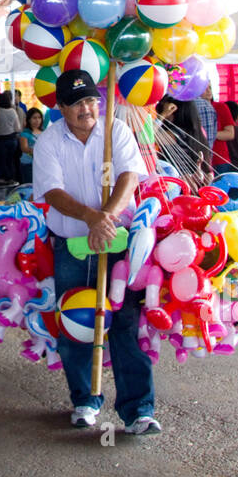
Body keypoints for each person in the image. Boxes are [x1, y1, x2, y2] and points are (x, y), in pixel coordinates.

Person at [33, 69, 153, 432]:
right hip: (71, 245)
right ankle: (85, 400)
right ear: (61, 107)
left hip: (117, 242)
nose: (86, 109)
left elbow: (129, 175)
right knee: (76, 324)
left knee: (125, 323)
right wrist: (91, 219)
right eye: (76, 104)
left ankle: (138, 409)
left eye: (90, 101)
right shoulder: (48, 141)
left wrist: (108, 219)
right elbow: (51, 192)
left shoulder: (115, 130)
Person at [0, 90, 25, 182]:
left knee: (1, 161)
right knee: (10, 160)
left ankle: (5, 180)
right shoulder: (12, 111)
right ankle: (12, 179)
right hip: (12, 140)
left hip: (1, 140)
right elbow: (18, 128)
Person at [201, 86, 235, 168]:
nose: (208, 91)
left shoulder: (221, 107)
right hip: (200, 158)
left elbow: (230, 134)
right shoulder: (191, 108)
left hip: (219, 159)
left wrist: (208, 134)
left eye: (210, 88)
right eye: (204, 88)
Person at [18, 107, 44, 184]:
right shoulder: (25, 133)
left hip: (41, 164)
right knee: (30, 186)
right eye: (34, 118)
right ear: (29, 119)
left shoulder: (43, 132)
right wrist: (39, 151)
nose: (37, 120)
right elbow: (24, 148)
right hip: (28, 164)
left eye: (39, 117)